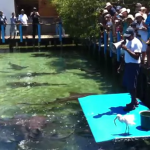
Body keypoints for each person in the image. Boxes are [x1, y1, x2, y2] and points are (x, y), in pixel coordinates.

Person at [118, 27, 142, 111]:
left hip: (134, 65)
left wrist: (126, 49)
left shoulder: (136, 43)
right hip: (128, 65)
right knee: (129, 84)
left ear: (132, 35)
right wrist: (121, 65)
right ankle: (134, 100)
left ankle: (132, 104)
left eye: (128, 36)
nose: (127, 37)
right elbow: (126, 55)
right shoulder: (128, 41)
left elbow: (136, 56)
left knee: (132, 85)